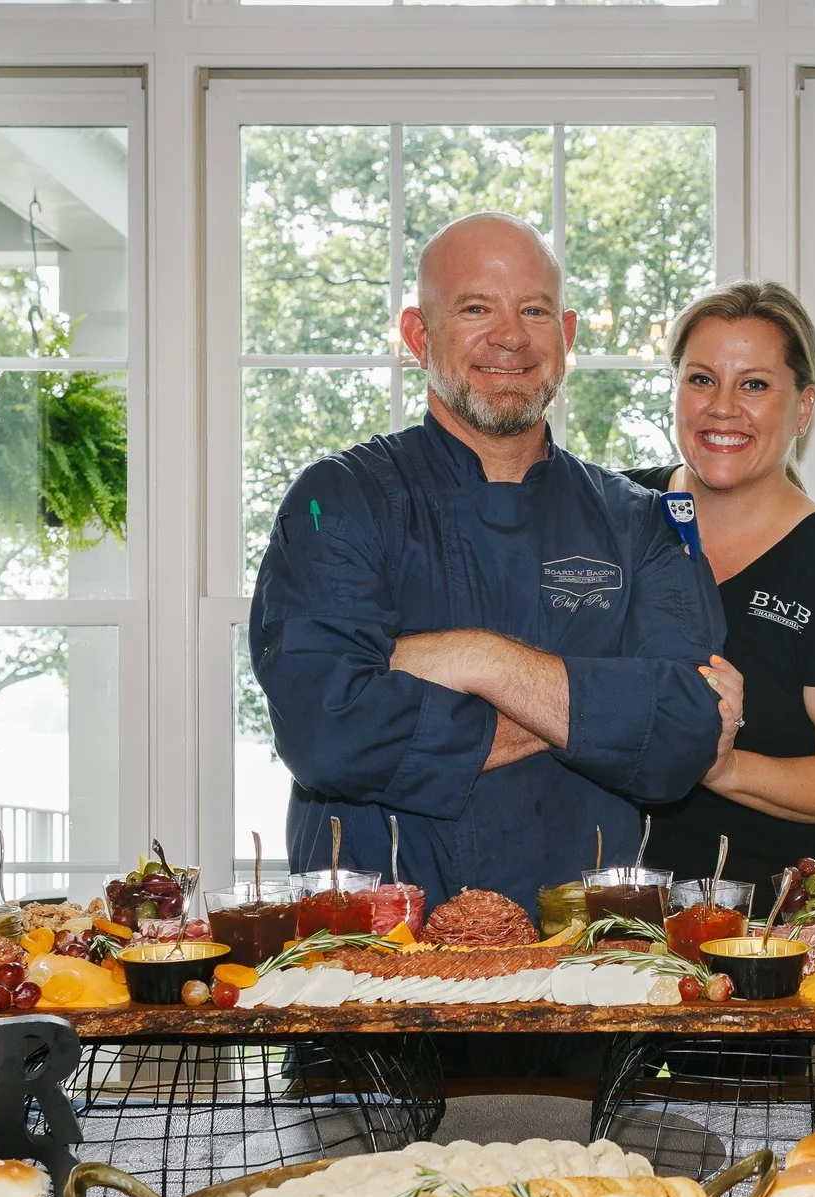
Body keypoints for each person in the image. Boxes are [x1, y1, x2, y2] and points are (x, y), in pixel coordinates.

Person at [250, 212, 728, 914]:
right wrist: (603, 713)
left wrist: (480, 660)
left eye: (534, 310)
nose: (510, 336)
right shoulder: (337, 502)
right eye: (476, 308)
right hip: (376, 967)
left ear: (564, 338)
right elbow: (327, 728)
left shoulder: (640, 521)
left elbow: (686, 732)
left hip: (589, 969)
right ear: (419, 336)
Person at [624, 282, 815, 896]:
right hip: (591, 910)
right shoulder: (608, 517)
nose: (722, 407)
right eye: (701, 379)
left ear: (803, 407)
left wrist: (721, 766)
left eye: (754, 384)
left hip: (766, 940)